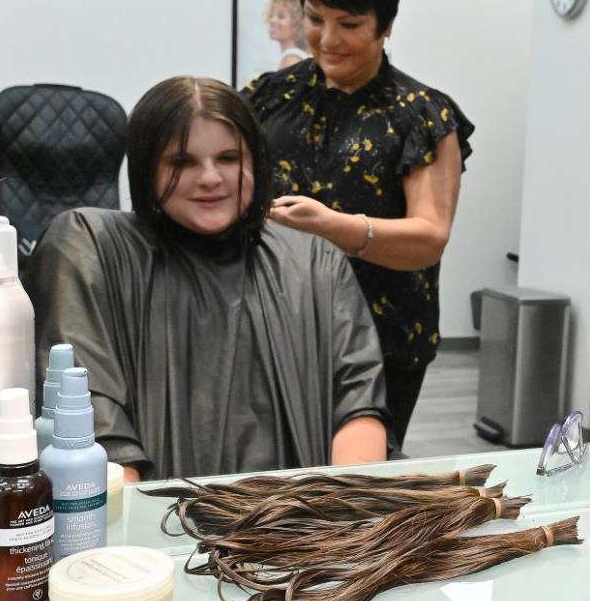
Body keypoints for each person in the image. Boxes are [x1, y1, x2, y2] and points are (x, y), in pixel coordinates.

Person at [23, 76, 389, 483]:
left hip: (302, 525)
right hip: (155, 532)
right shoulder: (87, 246)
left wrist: (342, 520)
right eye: (182, 162)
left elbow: (358, 405)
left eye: (229, 158)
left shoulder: (315, 260)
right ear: (147, 168)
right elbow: (97, 430)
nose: (211, 178)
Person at [242, 0, 474, 451]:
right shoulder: (269, 96)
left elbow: (429, 236)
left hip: (382, 341)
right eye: (315, 18)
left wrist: (334, 228)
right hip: (277, 326)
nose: (326, 39)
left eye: (348, 23)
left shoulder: (422, 115)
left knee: (355, 483)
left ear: (386, 24)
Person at [265, 0, 309, 69]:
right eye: (271, 15)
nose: (272, 20)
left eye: (281, 16)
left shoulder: (291, 59)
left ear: (297, 24)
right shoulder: (297, 56)